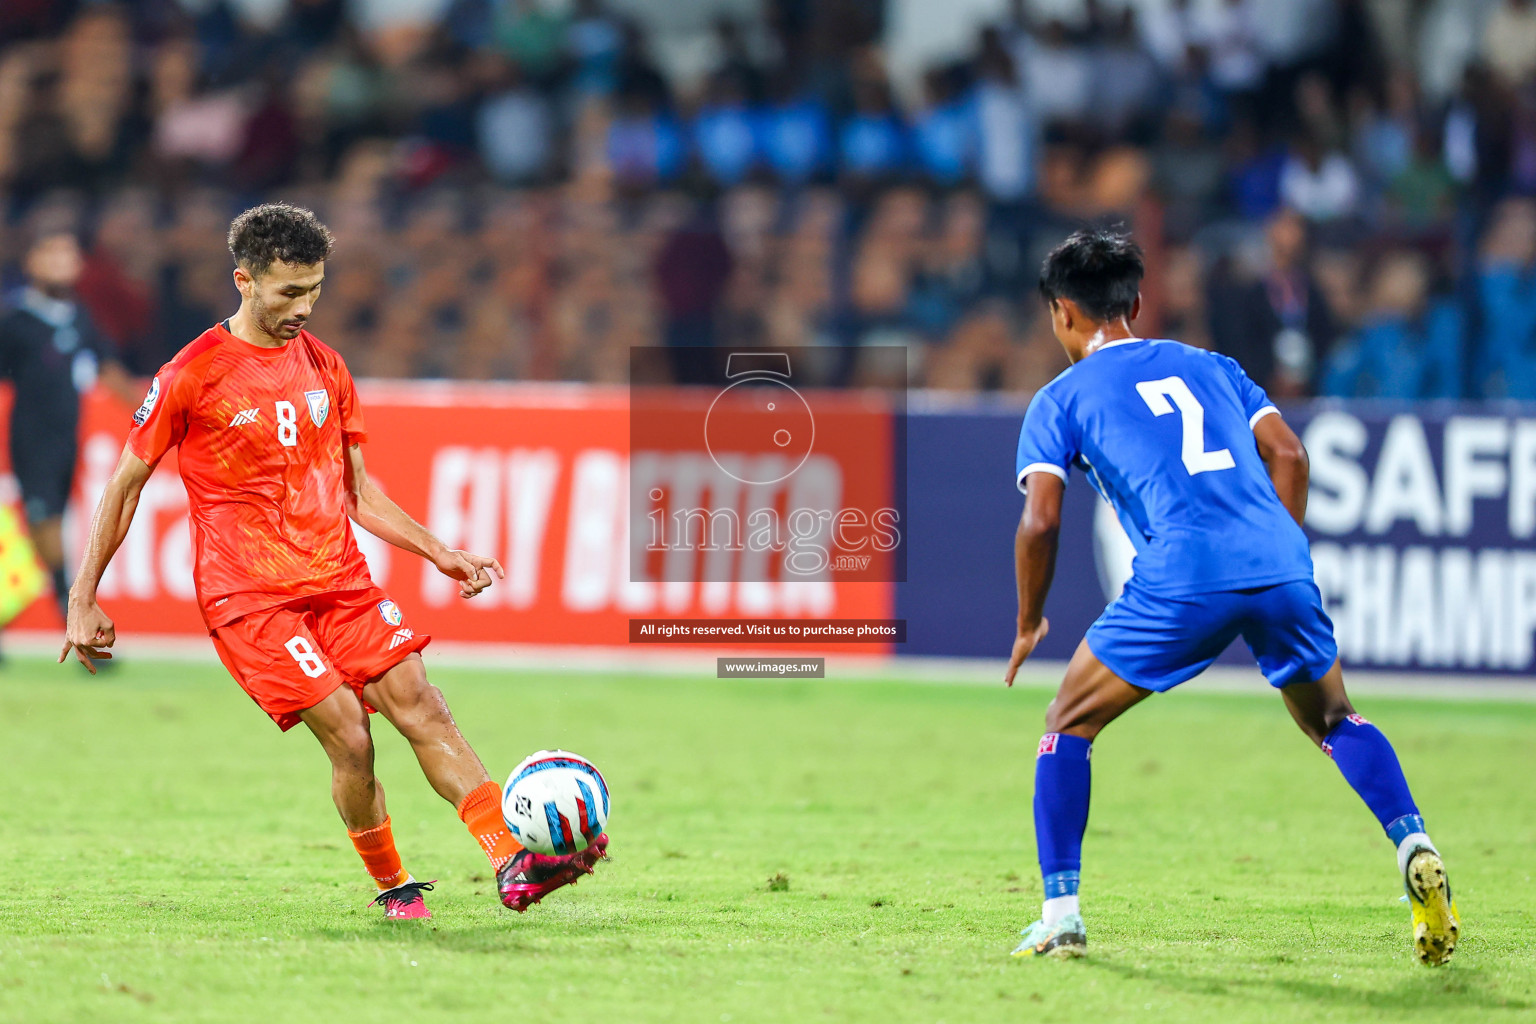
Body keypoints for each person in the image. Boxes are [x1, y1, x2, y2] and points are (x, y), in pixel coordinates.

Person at [58, 204, 605, 918]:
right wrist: (83, 596)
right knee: (351, 735)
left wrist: (441, 552)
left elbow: (359, 493)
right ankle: (391, 882)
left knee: (423, 708)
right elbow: (126, 481)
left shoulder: (326, 366)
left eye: (315, 289)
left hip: (339, 579)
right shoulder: (192, 373)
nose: (304, 307)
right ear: (244, 281)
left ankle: (512, 862)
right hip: (252, 598)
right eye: (289, 292)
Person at [1003, 228, 1457, 965]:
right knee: (1336, 718)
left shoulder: (1059, 398)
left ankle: (1060, 915)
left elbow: (1041, 517)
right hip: (1278, 557)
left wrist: (1029, 620)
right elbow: (1291, 454)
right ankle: (1414, 840)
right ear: (1136, 303)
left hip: (1183, 573)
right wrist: (1276, 554)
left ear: (1061, 313)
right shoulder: (1211, 365)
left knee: (1067, 724)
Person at [0, 230, 134, 642]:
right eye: (52, 254)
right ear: (32, 262)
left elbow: (109, 371)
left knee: (44, 527)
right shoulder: (15, 319)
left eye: (68, 255)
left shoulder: (80, 317)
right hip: (30, 439)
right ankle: (70, 614)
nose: (62, 263)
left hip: (66, 441)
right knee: (47, 524)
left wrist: (159, 416)